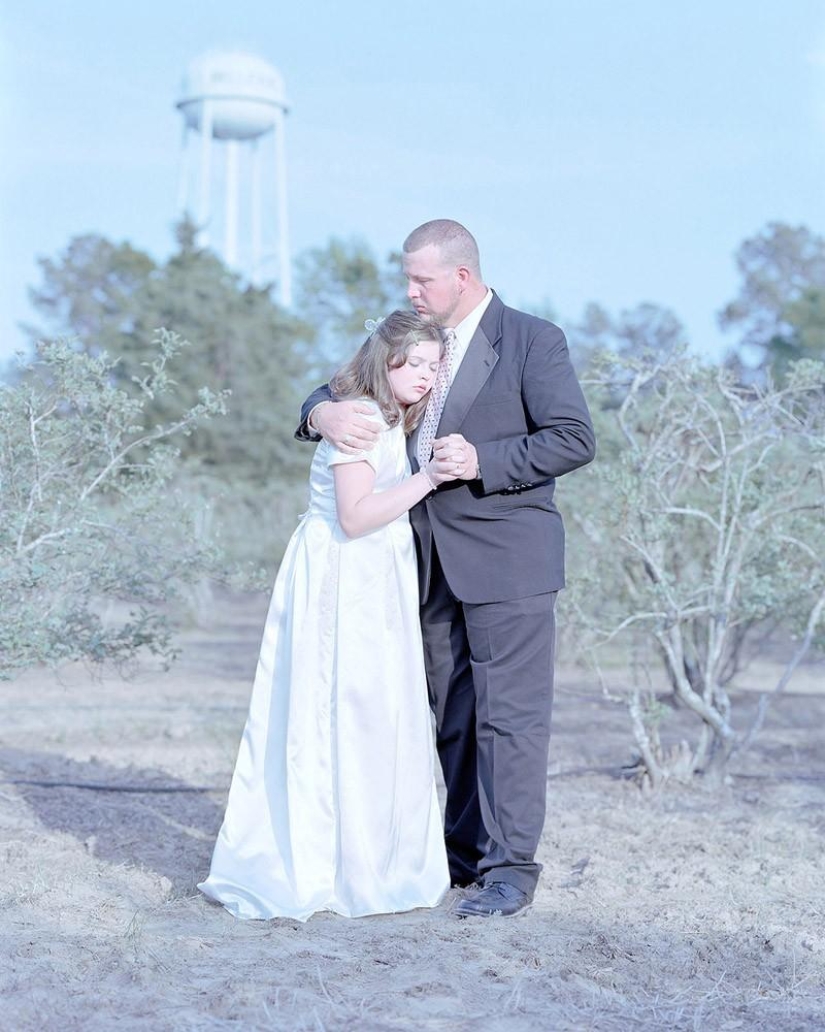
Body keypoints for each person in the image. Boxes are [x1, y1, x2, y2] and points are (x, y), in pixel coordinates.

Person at [297, 220, 596, 918]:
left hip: (508, 561)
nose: (409, 290)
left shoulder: (532, 339)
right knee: (448, 716)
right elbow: (327, 393)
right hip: (416, 562)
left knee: (509, 719)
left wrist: (487, 462)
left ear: (460, 277)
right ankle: (460, 854)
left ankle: (510, 870)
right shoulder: (406, 336)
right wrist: (323, 415)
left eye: (421, 279)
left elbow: (573, 438)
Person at [199, 311, 455, 922]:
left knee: (371, 713)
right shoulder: (363, 417)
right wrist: (429, 478)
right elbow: (356, 517)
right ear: (384, 361)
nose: (423, 376)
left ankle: (371, 857)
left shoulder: (386, 413)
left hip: (371, 577)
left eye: (431, 365)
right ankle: (339, 865)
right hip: (347, 579)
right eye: (411, 363)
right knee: (343, 709)